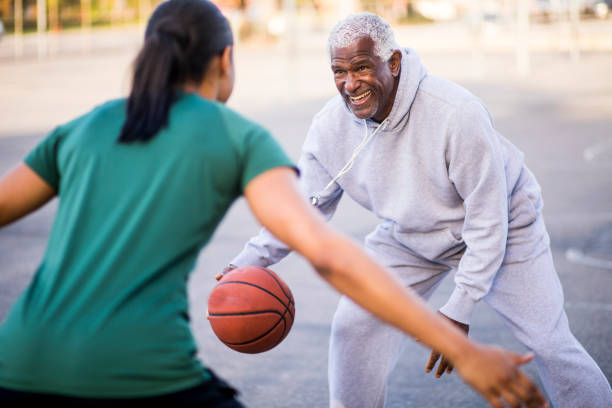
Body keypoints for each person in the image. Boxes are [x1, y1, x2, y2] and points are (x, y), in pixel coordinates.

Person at [0, 1, 547, 407]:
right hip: (140, 370)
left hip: (19, 360)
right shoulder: (234, 135)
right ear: (226, 60)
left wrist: (250, 261)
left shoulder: (82, 127)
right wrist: (461, 346)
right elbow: (326, 251)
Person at [226, 12, 612, 408]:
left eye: (361, 67)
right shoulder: (330, 128)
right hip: (411, 236)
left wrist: (458, 310)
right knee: (354, 323)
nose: (349, 83)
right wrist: (247, 263)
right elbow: (302, 209)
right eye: (338, 71)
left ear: (392, 62)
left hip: (506, 225)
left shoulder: (456, 113)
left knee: (549, 342)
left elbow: (488, 220)